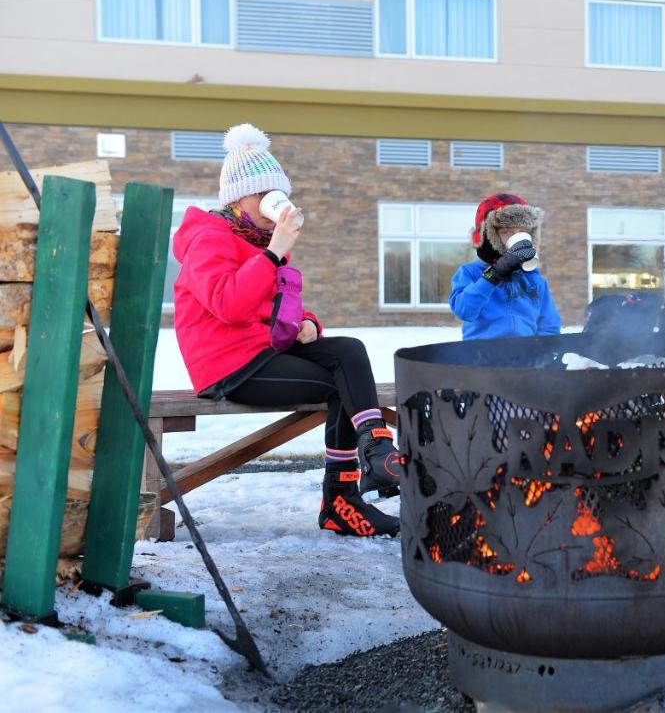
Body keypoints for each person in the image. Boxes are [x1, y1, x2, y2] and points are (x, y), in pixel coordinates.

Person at [171, 124, 400, 538]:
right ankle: (342, 500)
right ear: (238, 197)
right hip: (228, 365)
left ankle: (377, 449)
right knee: (339, 386)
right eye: (262, 195)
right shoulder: (209, 239)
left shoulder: (259, 240)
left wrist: (307, 322)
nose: (270, 204)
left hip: (263, 349)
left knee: (348, 350)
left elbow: (277, 303)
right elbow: (229, 304)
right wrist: (274, 251)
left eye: (275, 195)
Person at [450, 193, 562, 340]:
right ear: (489, 237)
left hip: (524, 356)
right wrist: (494, 274)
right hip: (480, 355)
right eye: (506, 231)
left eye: (522, 231)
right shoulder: (469, 272)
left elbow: (549, 326)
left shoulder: (534, 279)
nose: (516, 237)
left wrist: (540, 352)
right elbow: (465, 311)